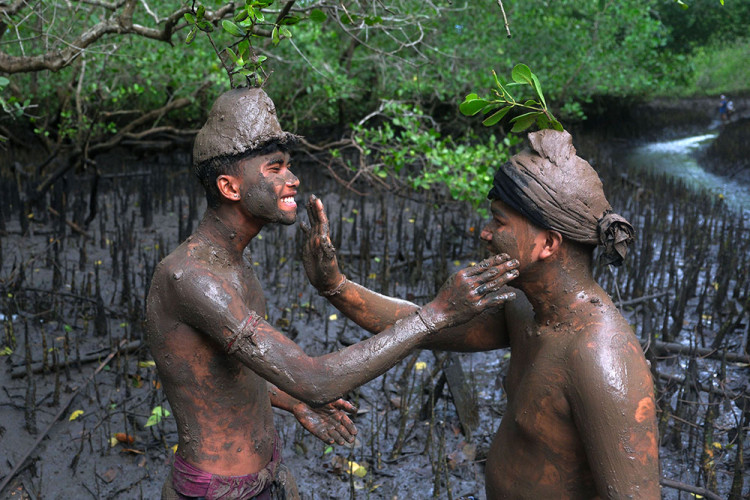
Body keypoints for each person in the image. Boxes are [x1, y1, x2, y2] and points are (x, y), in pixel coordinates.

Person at [145, 87, 520, 500]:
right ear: (230, 187)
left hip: (265, 477)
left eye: (289, 166)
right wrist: (436, 314)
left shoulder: (233, 262)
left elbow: (222, 375)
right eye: (275, 168)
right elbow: (314, 379)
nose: (293, 179)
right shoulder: (192, 278)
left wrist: (292, 402)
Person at [302, 129, 660, 498]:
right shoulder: (525, 308)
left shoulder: (602, 359)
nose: (485, 233)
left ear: (548, 243)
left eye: (499, 222)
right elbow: (422, 325)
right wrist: (335, 285)